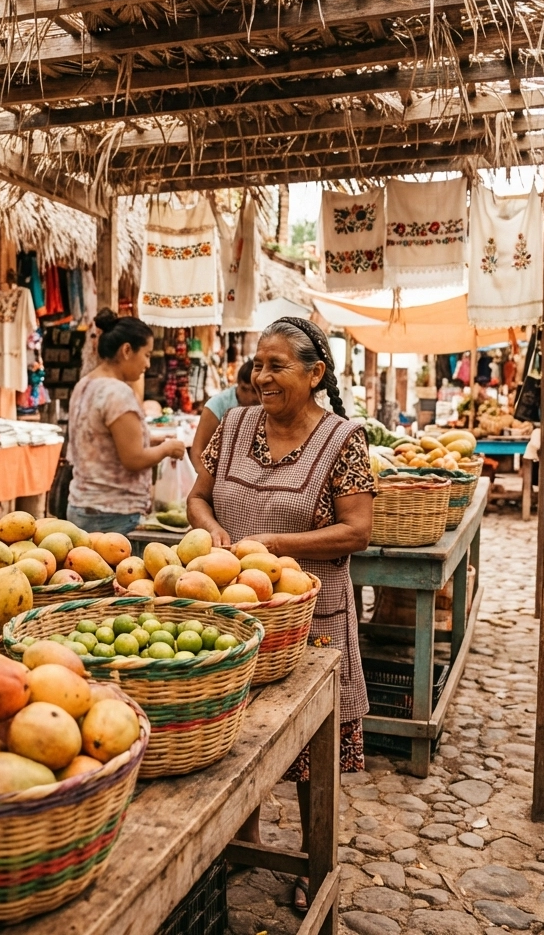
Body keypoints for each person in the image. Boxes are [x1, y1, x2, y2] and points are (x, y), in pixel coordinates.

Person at [186, 317, 374, 912]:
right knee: (235, 737)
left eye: (277, 366)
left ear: (315, 374)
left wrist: (276, 545)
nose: (261, 377)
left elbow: (358, 530)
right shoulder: (236, 424)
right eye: (257, 365)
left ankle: (316, 861)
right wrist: (214, 530)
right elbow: (197, 495)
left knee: (310, 752)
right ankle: (246, 841)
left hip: (310, 619)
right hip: (231, 613)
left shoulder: (343, 439)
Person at [66, 309, 186, 535]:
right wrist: (167, 449)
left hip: (82, 506)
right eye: (147, 354)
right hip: (113, 514)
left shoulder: (85, 384)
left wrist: (154, 439)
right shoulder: (118, 393)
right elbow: (133, 459)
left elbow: (104, 439)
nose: (148, 365)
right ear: (127, 350)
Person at [189, 358, 261, 472]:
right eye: (245, 389)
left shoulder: (267, 406)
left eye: (255, 391)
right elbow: (197, 452)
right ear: (238, 384)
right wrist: (206, 483)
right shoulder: (217, 405)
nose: (251, 397)